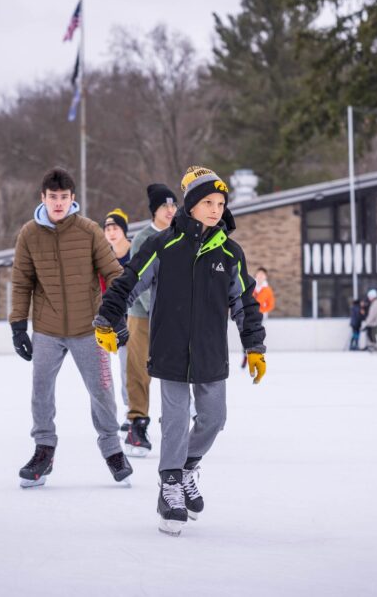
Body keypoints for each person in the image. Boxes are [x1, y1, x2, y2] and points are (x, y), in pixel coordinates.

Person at [93, 165, 267, 537]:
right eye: (207, 202)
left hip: (210, 353)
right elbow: (129, 282)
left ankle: (186, 467)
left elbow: (245, 303)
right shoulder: (163, 246)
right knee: (173, 424)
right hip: (170, 349)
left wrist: (254, 345)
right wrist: (107, 318)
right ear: (190, 206)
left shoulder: (231, 253)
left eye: (221, 202)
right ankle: (169, 486)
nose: (216, 209)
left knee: (214, 418)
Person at [9, 167, 133, 488]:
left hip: (89, 327)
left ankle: (112, 449)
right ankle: (44, 450)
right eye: (53, 197)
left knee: (102, 390)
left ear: (72, 198)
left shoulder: (89, 231)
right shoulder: (29, 234)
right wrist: (18, 326)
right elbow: (21, 283)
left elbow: (115, 275)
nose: (59, 203)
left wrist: (117, 318)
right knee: (41, 392)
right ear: (43, 198)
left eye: (64, 197)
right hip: (47, 329)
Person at [123, 185, 178, 455]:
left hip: (175, 317)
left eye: (173, 206)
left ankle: (177, 420)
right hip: (143, 316)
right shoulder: (142, 238)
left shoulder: (181, 235)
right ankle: (137, 422)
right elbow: (138, 281)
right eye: (164, 207)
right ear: (154, 211)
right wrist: (158, 312)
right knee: (139, 370)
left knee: (176, 371)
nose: (170, 211)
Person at [101, 208, 134, 432]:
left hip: (142, 315)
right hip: (119, 320)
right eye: (108, 229)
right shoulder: (104, 257)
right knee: (126, 368)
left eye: (115, 228)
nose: (111, 232)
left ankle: (186, 407)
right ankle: (133, 413)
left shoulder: (137, 251)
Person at [241, 267, 275, 366]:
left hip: (259, 316)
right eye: (259, 274)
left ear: (265, 277)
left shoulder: (267, 290)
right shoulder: (251, 286)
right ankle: (245, 356)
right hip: (248, 314)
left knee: (256, 335)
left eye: (262, 274)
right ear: (256, 275)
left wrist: (262, 310)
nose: (260, 276)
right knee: (246, 335)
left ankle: (256, 356)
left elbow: (270, 304)